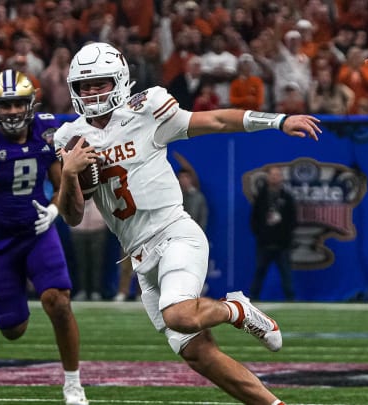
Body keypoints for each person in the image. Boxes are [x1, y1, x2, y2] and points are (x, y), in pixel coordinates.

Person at [55, 42, 320, 405]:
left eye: (99, 83)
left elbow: (215, 120)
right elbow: (71, 216)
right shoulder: (69, 137)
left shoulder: (146, 110)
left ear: (118, 81)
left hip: (175, 234)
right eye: (84, 86)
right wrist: (69, 175)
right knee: (198, 354)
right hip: (139, 255)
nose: (91, 92)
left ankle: (236, 309)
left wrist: (277, 120)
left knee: (180, 315)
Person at [0, 69, 89, 405]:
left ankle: (73, 384)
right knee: (13, 329)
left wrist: (54, 210)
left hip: (35, 231)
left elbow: (61, 181)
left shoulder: (47, 133)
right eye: (5, 105)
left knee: (58, 301)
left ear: (31, 104)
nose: (11, 112)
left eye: (17, 104)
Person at [249, 166, 297, 301]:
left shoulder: (287, 198)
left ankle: (291, 299)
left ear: (281, 178)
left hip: (283, 245)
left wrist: (286, 237)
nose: (275, 177)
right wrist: (261, 234)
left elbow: (293, 220)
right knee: (259, 272)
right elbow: (254, 219)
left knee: (286, 274)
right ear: (268, 177)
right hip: (264, 243)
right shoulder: (261, 197)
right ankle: (253, 298)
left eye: (277, 175)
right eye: (272, 175)